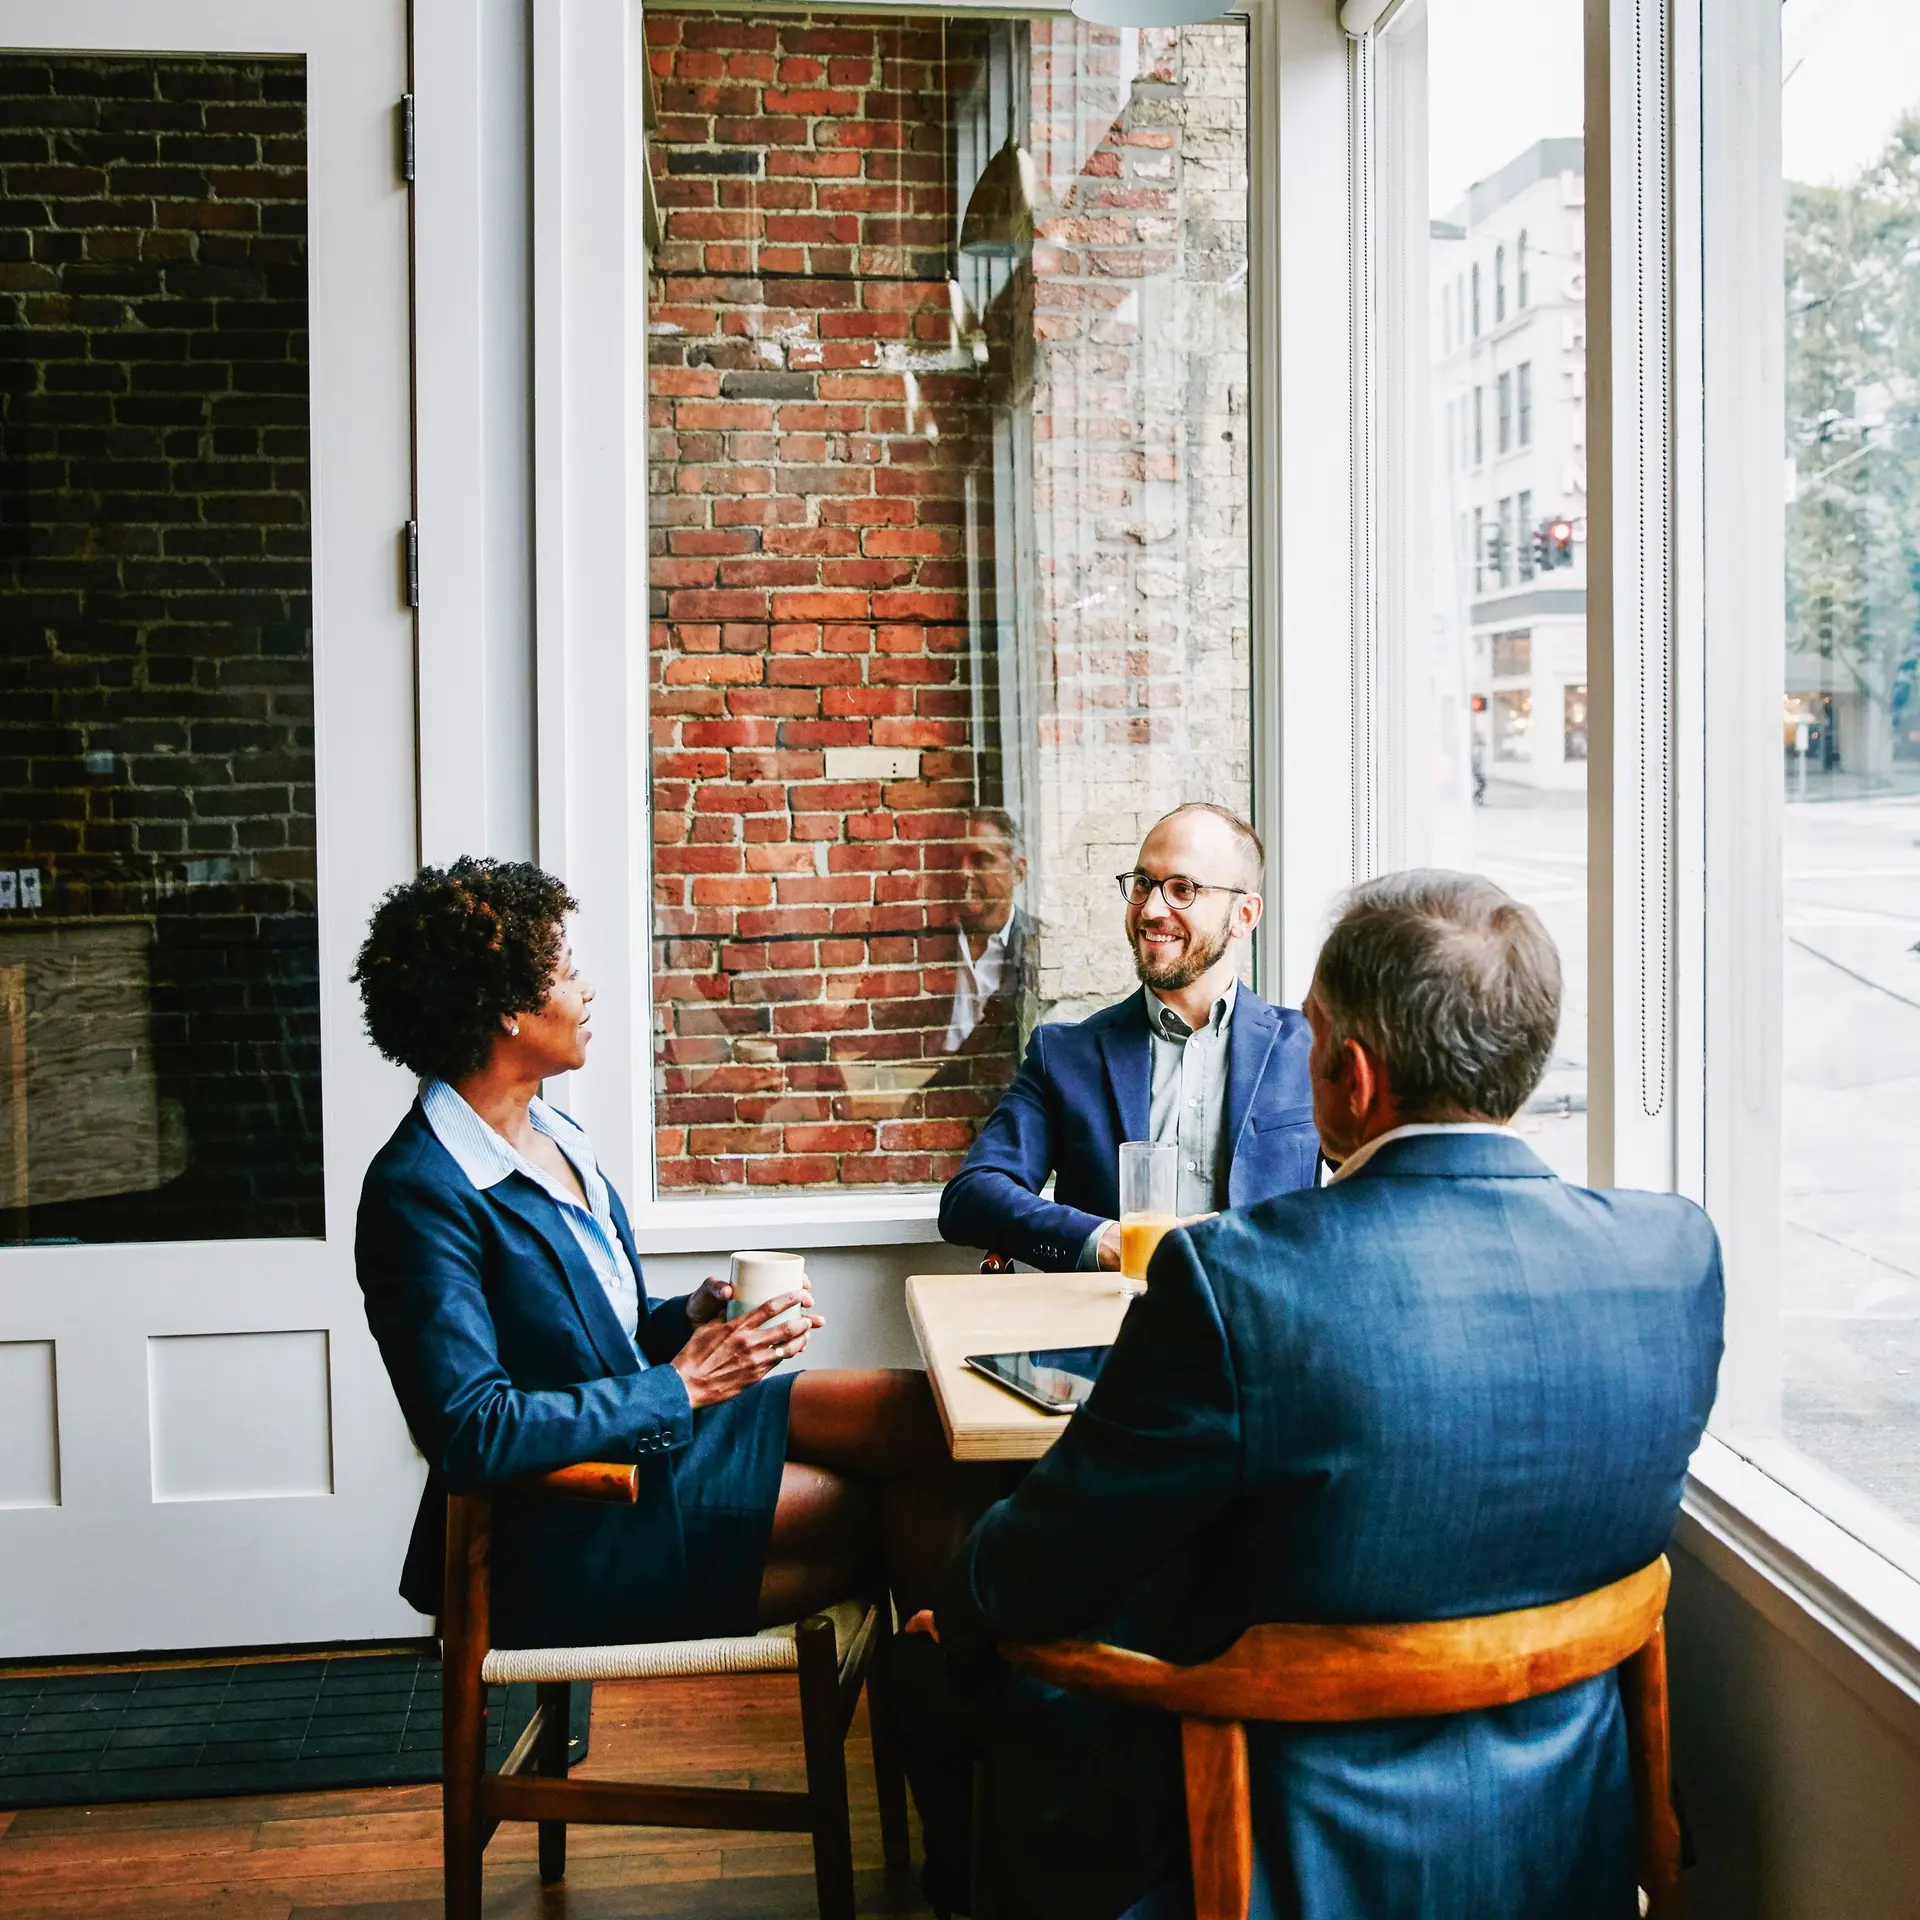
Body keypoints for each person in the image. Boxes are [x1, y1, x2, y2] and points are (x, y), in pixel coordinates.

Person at [910, 870, 1725, 1920]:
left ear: (1352, 1071)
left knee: (935, 1665)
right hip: (1565, 1839)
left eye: (1310, 1039)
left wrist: (962, 1605)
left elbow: (1042, 1566)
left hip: (1263, 1844)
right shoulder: (1673, 1253)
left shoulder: (1231, 1282)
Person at [352, 857, 975, 1654]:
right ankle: (956, 1714)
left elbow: (589, 1343)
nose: (587, 993)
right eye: (568, 973)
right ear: (507, 1009)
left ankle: (951, 1691)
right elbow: (472, 1431)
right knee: (896, 1500)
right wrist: (685, 1383)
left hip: (659, 1441)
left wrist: (688, 1318)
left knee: (934, 1421)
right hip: (582, 1517)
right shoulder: (421, 1189)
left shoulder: (553, 1139)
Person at [938, 802, 1318, 1271]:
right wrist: (1110, 1241)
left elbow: (1386, 1185)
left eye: (1183, 889)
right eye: (1143, 884)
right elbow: (971, 1197)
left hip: (1270, 1337)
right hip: (1115, 1337)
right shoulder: (1064, 1056)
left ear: (1244, 914)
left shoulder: (1310, 1049)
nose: (1152, 909)